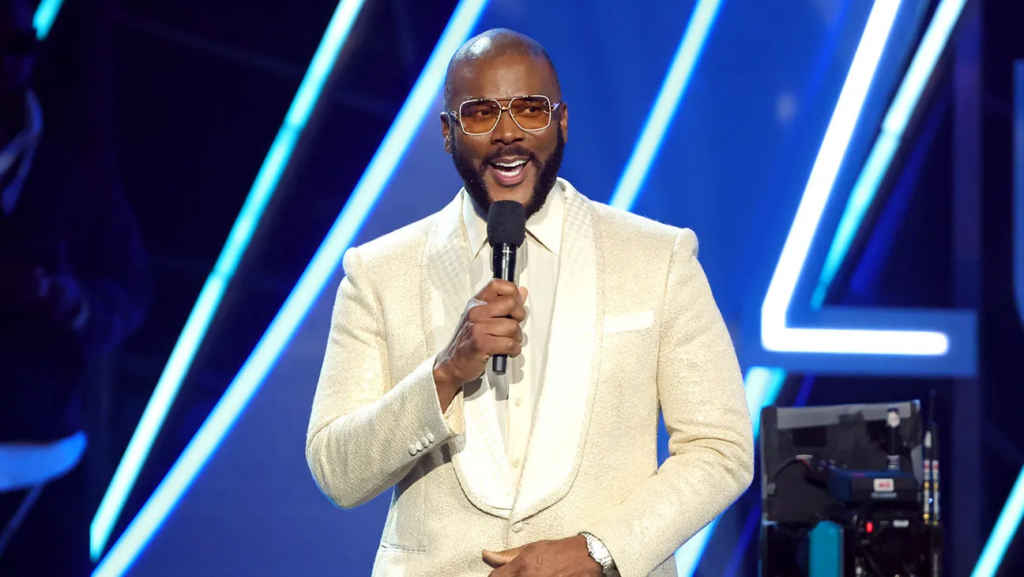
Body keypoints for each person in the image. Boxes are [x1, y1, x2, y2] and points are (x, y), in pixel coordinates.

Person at [306, 28, 753, 577]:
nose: (508, 134)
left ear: (562, 123)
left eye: (529, 110)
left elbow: (719, 448)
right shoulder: (378, 272)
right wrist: (444, 375)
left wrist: (597, 549)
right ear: (447, 133)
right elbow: (336, 471)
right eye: (480, 114)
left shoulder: (658, 258)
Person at [0, 0, 150, 574]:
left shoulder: (74, 170)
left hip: (46, 460)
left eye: (16, 46)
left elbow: (130, 290)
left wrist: (62, 298)